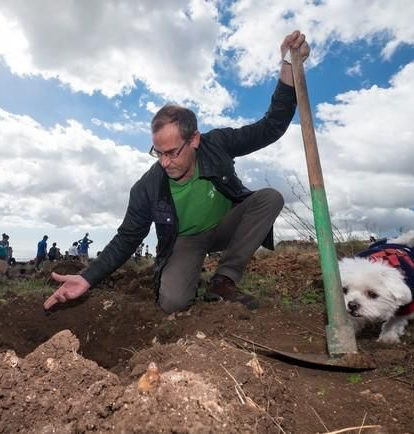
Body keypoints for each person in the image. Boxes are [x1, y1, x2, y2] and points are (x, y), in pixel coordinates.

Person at [44, 31, 310, 314]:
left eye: (172, 152)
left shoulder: (216, 144)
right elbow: (127, 238)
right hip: (187, 240)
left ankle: (223, 280)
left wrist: (288, 66)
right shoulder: (147, 187)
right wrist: (87, 277)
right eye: (158, 153)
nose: (165, 162)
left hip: (225, 225)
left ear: (194, 140)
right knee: (173, 303)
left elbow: (271, 127)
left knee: (269, 198)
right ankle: (191, 279)